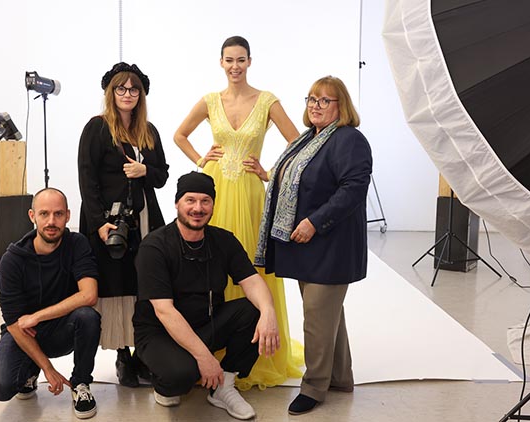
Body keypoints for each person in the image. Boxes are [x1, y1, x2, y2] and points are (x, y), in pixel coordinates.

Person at [173, 35, 302, 390]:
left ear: (250, 61)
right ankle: (214, 348)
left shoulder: (266, 101)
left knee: (250, 267)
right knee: (213, 266)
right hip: (215, 191)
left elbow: (299, 143)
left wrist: (270, 173)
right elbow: (179, 135)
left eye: (241, 60)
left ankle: (254, 353)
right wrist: (201, 160)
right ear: (220, 62)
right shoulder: (210, 101)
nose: (235, 66)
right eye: (229, 60)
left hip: (248, 195)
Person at [255, 76, 372, 415]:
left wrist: (314, 222)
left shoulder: (349, 140)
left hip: (330, 244)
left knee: (317, 318)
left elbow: (352, 189)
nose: (316, 106)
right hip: (308, 246)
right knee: (327, 315)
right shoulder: (309, 140)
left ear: (342, 107)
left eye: (325, 101)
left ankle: (314, 386)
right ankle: (340, 377)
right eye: (312, 99)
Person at [132, 172, 280, 420]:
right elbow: (164, 311)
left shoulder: (224, 240)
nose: (198, 208)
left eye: (205, 201)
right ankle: (157, 369)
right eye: (190, 200)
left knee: (254, 311)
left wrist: (269, 313)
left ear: (213, 204)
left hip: (206, 324)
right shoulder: (154, 247)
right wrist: (204, 358)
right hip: (161, 331)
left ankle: (224, 387)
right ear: (177, 203)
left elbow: (252, 281)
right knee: (181, 377)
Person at [78, 62, 169, 387]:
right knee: (117, 284)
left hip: (146, 222)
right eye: (121, 88)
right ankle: (123, 355)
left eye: (133, 89)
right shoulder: (97, 128)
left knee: (145, 285)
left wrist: (145, 172)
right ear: (111, 92)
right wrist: (99, 223)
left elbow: (161, 175)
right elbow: (87, 180)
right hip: (111, 223)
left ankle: (145, 353)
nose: (127, 94)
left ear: (141, 94)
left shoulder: (149, 131)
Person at [0, 187, 100, 419]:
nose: (51, 221)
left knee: (88, 316)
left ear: (68, 216)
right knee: (0, 385)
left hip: (61, 329)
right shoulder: (12, 260)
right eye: (44, 214)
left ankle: (81, 385)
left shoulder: (77, 244)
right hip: (25, 332)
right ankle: (30, 370)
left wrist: (38, 316)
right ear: (32, 216)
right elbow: (14, 324)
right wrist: (48, 368)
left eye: (58, 214)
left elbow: (89, 295)